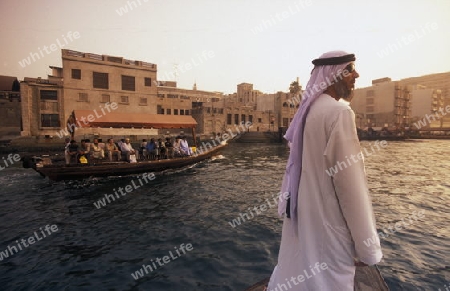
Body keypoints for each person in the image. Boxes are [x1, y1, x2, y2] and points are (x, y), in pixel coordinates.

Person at [267, 51, 383, 291]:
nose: (356, 75)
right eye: (350, 69)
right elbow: (352, 188)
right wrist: (367, 247)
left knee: (298, 266)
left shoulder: (309, 112)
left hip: (302, 214)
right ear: (333, 76)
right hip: (329, 223)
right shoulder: (339, 112)